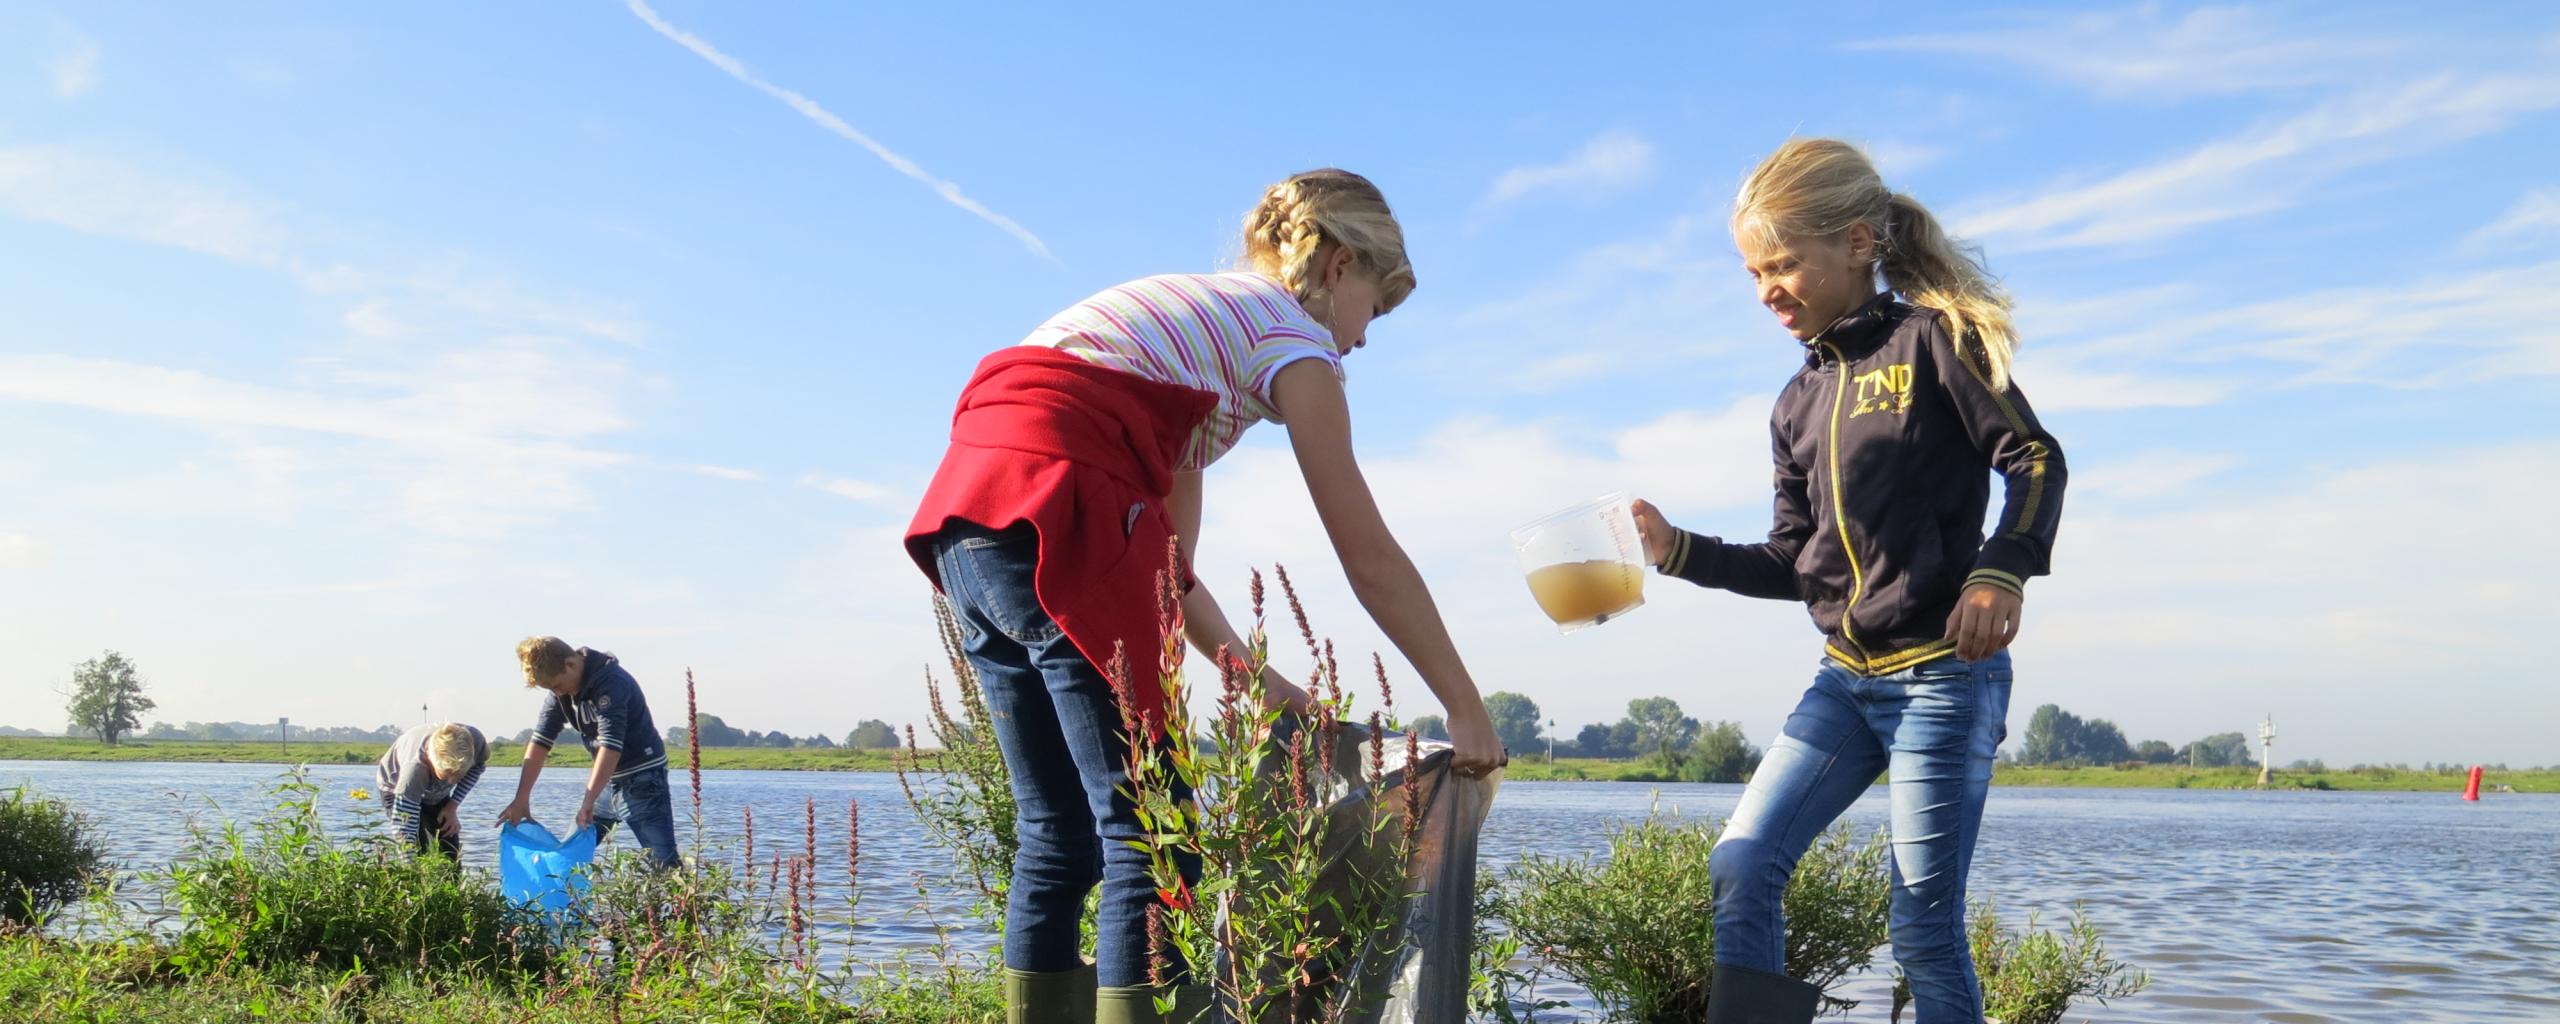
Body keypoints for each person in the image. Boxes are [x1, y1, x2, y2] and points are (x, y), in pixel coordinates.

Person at [905, 168, 1505, 1024]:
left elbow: (1166, 572)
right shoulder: (1295, 341)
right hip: (1069, 490)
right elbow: (1366, 553)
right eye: (1378, 305)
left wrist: (1262, 685)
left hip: (970, 510)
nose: (1366, 341)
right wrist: (1464, 706)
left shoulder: (1195, 334)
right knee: (1153, 837)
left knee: (1059, 833)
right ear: (1337, 266)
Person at [1631, 138, 2067, 1024]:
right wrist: (1677, 550)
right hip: (1844, 681)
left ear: (1859, 243)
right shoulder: (1794, 403)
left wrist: (2000, 572)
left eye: (1784, 263)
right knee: (1742, 864)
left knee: (1922, 927)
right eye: (1755, 273)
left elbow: (2034, 458)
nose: (1768, 290)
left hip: (1945, 675)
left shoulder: (1932, 341)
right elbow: (1796, 564)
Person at [494, 636, 679, 871]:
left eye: (557, 685)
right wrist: (521, 798)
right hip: (605, 783)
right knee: (568, 858)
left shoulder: (611, 683)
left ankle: (683, 907)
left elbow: (610, 746)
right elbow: (540, 741)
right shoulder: (559, 693)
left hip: (643, 780)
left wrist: (587, 802)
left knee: (664, 865)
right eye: (550, 689)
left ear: (570, 664)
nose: (557, 692)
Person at [374, 721, 488, 859]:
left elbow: (477, 768)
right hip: (395, 786)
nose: (452, 781)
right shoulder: (414, 770)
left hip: (434, 790)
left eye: (458, 775)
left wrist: (452, 806)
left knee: (449, 846)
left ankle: (451, 879)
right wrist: (411, 868)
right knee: (416, 847)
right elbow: (403, 826)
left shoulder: (476, 742)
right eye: (447, 775)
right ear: (430, 758)